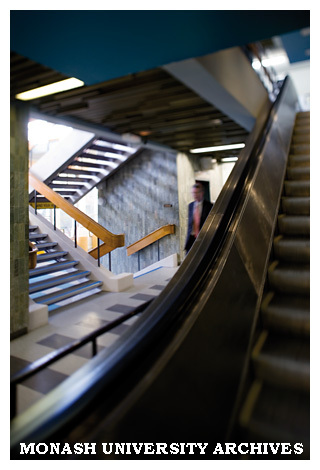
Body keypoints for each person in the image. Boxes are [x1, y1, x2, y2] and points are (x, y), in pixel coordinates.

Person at [184, 182, 213, 252]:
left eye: (197, 193)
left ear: (202, 193)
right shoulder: (190, 205)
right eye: (193, 193)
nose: (195, 195)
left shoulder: (209, 206)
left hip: (203, 237)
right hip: (191, 238)